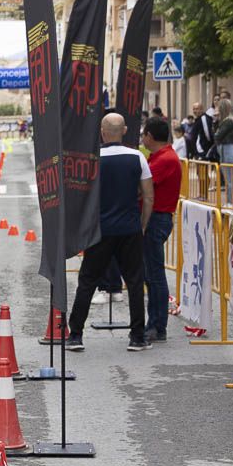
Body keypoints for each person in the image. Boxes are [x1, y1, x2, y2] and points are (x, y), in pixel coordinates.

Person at [66, 114, 154, 353]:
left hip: (99, 230)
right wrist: (142, 224)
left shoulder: (93, 160)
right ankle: (137, 337)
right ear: (124, 130)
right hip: (129, 228)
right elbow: (148, 196)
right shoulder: (137, 157)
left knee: (87, 281)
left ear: (102, 132)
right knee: (135, 282)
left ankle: (75, 335)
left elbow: (81, 197)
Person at [142, 116, 181, 343]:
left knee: (155, 275)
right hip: (156, 218)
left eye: (144, 134)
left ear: (149, 136)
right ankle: (154, 324)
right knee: (151, 274)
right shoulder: (159, 157)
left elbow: (143, 185)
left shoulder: (165, 159)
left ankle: (157, 326)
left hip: (156, 219)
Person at [213, 98, 233, 206]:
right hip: (226, 149)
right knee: (229, 178)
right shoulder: (227, 121)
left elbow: (217, 135)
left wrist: (216, 127)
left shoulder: (228, 121)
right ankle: (232, 201)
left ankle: (232, 201)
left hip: (227, 149)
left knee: (229, 178)